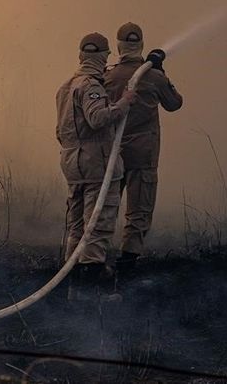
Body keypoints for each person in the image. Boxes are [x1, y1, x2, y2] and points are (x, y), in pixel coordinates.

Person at [56, 32, 136, 300]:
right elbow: (98, 118)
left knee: (77, 227)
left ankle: (73, 289)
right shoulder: (90, 86)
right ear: (103, 57)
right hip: (96, 166)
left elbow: (60, 131)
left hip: (72, 164)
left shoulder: (65, 87)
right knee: (97, 225)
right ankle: (90, 294)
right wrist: (124, 104)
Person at [104, 22, 183, 278]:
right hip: (144, 155)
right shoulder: (154, 77)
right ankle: (127, 264)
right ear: (141, 45)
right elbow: (174, 104)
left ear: (118, 46)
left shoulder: (107, 76)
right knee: (139, 208)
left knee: (105, 205)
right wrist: (160, 71)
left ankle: (94, 258)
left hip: (112, 155)